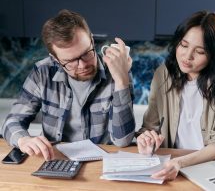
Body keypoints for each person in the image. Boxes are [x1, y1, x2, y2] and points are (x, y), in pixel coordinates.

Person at [1, 9, 135, 161]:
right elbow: (12, 122)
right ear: (56, 59)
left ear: (91, 40)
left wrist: (122, 80)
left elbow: (123, 140)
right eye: (71, 61)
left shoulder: (118, 71)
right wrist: (23, 140)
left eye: (86, 53)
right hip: (55, 160)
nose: (83, 65)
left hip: (101, 163)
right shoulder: (42, 72)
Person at [136, 10, 215, 181]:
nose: (187, 56)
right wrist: (146, 140)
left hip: (210, 167)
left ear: (213, 54)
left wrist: (181, 162)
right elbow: (151, 126)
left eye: (200, 52)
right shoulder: (163, 74)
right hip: (172, 166)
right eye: (184, 45)